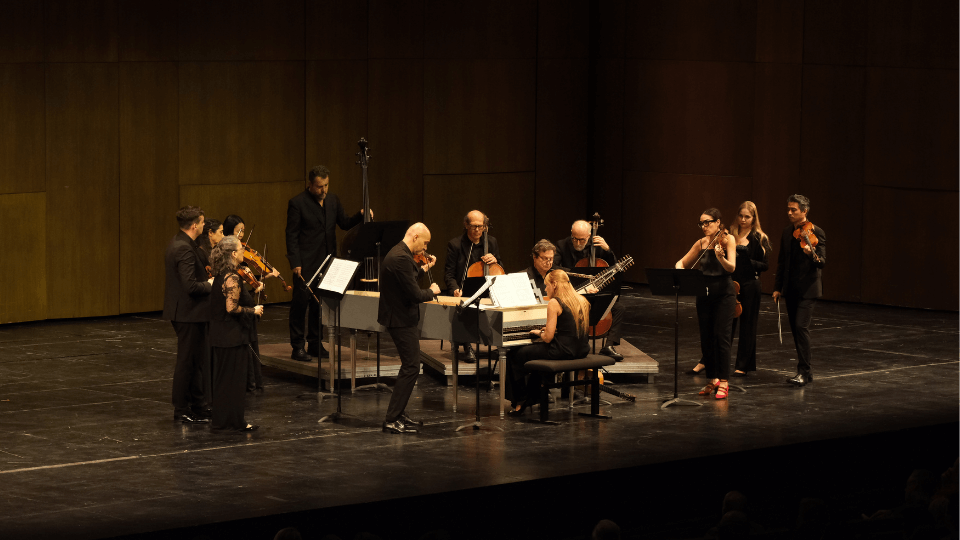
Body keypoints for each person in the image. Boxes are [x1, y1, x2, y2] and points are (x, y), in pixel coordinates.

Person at [286, 165, 368, 362]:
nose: (323, 190)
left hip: (327, 260)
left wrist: (361, 215)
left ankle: (315, 343)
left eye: (326, 185)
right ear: (310, 185)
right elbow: (291, 235)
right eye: (319, 186)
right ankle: (297, 346)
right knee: (300, 304)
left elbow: (344, 223)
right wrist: (295, 261)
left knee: (319, 304)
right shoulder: (297, 203)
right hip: (306, 262)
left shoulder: (332, 200)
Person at [379, 223, 440, 434]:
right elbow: (415, 294)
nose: (425, 248)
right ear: (415, 236)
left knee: (410, 366)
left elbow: (407, 281)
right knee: (412, 366)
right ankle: (391, 418)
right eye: (425, 242)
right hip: (400, 319)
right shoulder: (401, 258)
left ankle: (399, 414)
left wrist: (423, 269)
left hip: (400, 317)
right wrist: (432, 291)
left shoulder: (400, 253)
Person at [506, 270, 591, 416]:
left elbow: (547, 339)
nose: (545, 289)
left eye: (546, 285)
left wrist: (538, 332)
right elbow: (570, 328)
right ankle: (533, 396)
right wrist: (552, 330)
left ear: (555, 284)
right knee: (534, 357)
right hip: (581, 350)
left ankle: (520, 401)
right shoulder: (581, 299)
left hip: (562, 351)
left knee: (515, 354)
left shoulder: (554, 302)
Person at [675, 208, 737, 400]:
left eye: (708, 222)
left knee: (721, 337)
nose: (704, 226)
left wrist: (721, 258)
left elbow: (731, 267)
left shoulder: (728, 240)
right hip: (704, 295)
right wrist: (679, 270)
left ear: (718, 222)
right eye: (701, 223)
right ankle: (713, 379)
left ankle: (724, 381)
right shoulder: (701, 243)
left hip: (724, 295)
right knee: (707, 338)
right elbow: (682, 262)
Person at [162, 206, 214, 424]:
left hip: (190, 312)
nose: (204, 226)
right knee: (187, 361)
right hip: (187, 312)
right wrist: (210, 284)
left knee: (196, 360)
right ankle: (182, 408)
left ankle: (198, 405)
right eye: (202, 223)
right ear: (195, 225)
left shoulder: (182, 243)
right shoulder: (183, 248)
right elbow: (190, 286)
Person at [208, 235, 263, 431]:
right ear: (233, 253)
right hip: (231, 336)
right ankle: (236, 422)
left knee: (224, 381)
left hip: (220, 335)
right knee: (235, 382)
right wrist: (253, 311)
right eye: (241, 249)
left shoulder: (221, 274)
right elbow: (231, 308)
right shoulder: (232, 277)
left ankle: (223, 421)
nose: (243, 252)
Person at [772, 194, 826, 386]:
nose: (789, 212)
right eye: (788, 209)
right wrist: (778, 287)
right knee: (796, 330)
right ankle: (806, 371)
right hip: (791, 289)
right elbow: (781, 261)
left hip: (809, 290)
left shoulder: (816, 232)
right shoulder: (787, 232)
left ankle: (803, 371)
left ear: (804, 211)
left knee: (801, 327)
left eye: (793, 209)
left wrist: (811, 254)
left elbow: (822, 262)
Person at [220, 214, 277, 393]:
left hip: (246, 301)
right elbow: (234, 292)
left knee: (251, 341)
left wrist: (260, 278)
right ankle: (248, 382)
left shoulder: (240, 257)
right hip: (240, 308)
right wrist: (252, 290)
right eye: (239, 231)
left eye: (243, 231)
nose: (242, 235)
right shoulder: (228, 260)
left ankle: (253, 381)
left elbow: (246, 276)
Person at [555, 220, 625, 361]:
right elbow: (554, 267)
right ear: (571, 234)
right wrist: (576, 274)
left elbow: (615, 268)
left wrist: (608, 250)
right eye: (575, 238)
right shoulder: (561, 245)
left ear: (589, 236)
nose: (578, 242)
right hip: (572, 294)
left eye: (582, 240)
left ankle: (609, 346)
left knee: (619, 308)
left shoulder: (598, 247)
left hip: (594, 293)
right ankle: (579, 343)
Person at [443, 210, 502, 362]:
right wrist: (455, 288)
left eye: (481, 226)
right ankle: (466, 344)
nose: (477, 230)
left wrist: (495, 260)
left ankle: (496, 342)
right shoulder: (455, 245)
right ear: (466, 225)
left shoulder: (492, 242)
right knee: (465, 304)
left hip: (486, 288)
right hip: (464, 290)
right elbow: (449, 274)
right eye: (474, 226)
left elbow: (500, 268)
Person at [728, 202, 771, 376]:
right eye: (741, 216)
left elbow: (765, 265)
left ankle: (743, 364)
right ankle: (717, 360)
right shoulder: (731, 234)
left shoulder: (760, 237)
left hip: (750, 284)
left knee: (748, 324)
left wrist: (747, 261)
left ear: (753, 218)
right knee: (727, 324)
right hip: (731, 283)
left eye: (747, 217)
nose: (743, 219)